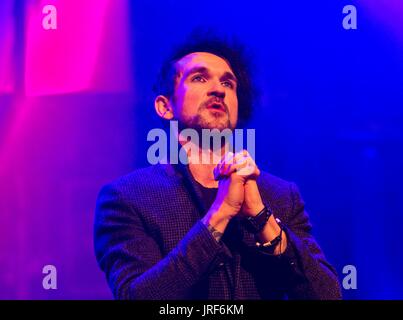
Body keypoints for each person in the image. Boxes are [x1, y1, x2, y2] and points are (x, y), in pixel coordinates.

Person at [93, 34, 342, 300]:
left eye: (228, 83)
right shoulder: (128, 198)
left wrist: (261, 218)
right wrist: (220, 214)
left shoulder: (281, 195)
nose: (219, 90)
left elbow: (328, 295)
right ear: (165, 107)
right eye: (199, 78)